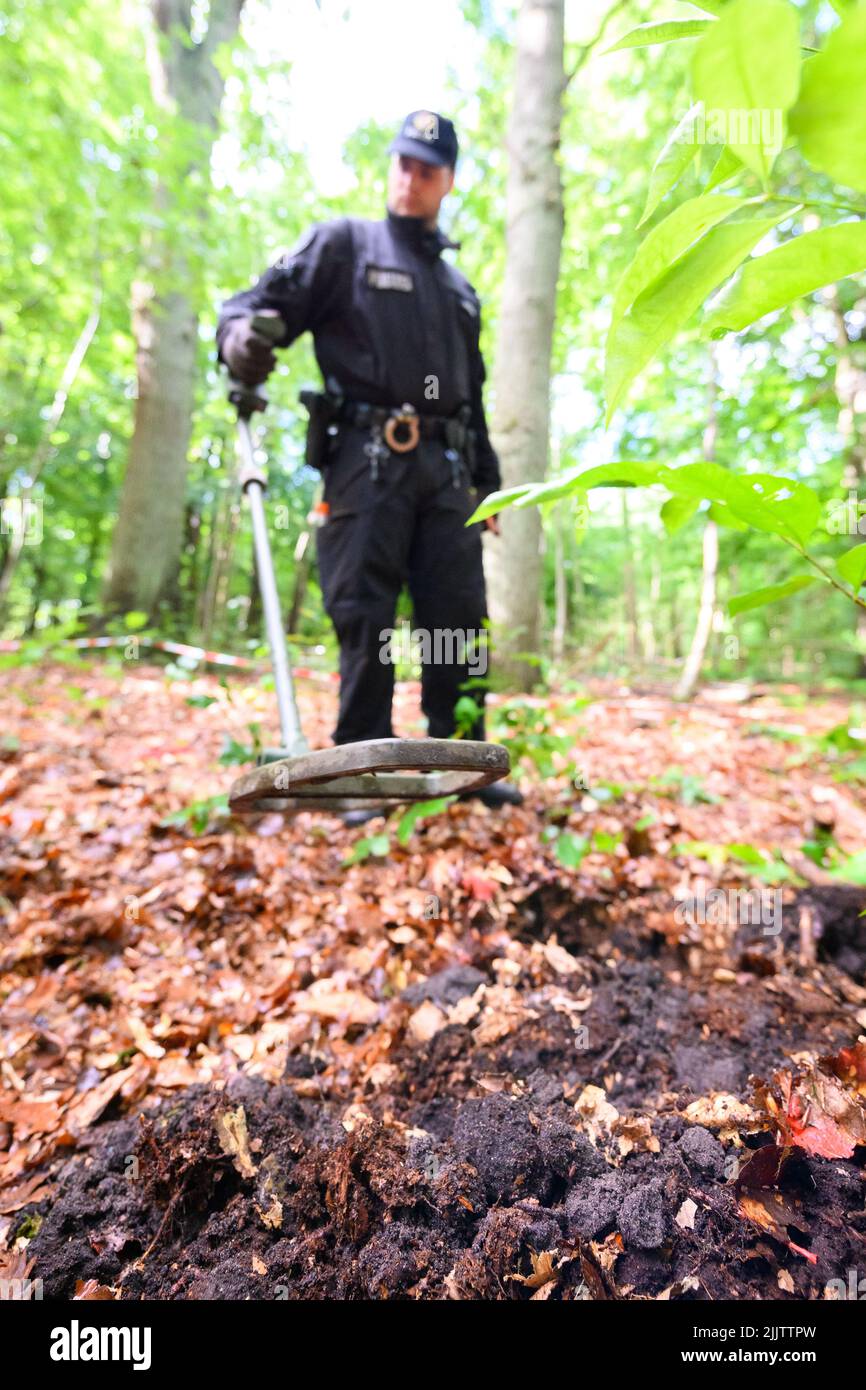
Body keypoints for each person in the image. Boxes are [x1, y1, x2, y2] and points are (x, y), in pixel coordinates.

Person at [217, 109, 523, 818]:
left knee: (458, 616)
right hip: (366, 461)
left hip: (448, 473)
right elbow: (249, 306)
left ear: (448, 181)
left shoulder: (458, 289)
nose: (409, 179)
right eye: (402, 163)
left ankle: (464, 760)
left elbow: (472, 396)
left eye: (427, 169)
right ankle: (360, 760)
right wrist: (242, 341)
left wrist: (490, 484)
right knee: (365, 610)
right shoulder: (342, 246)